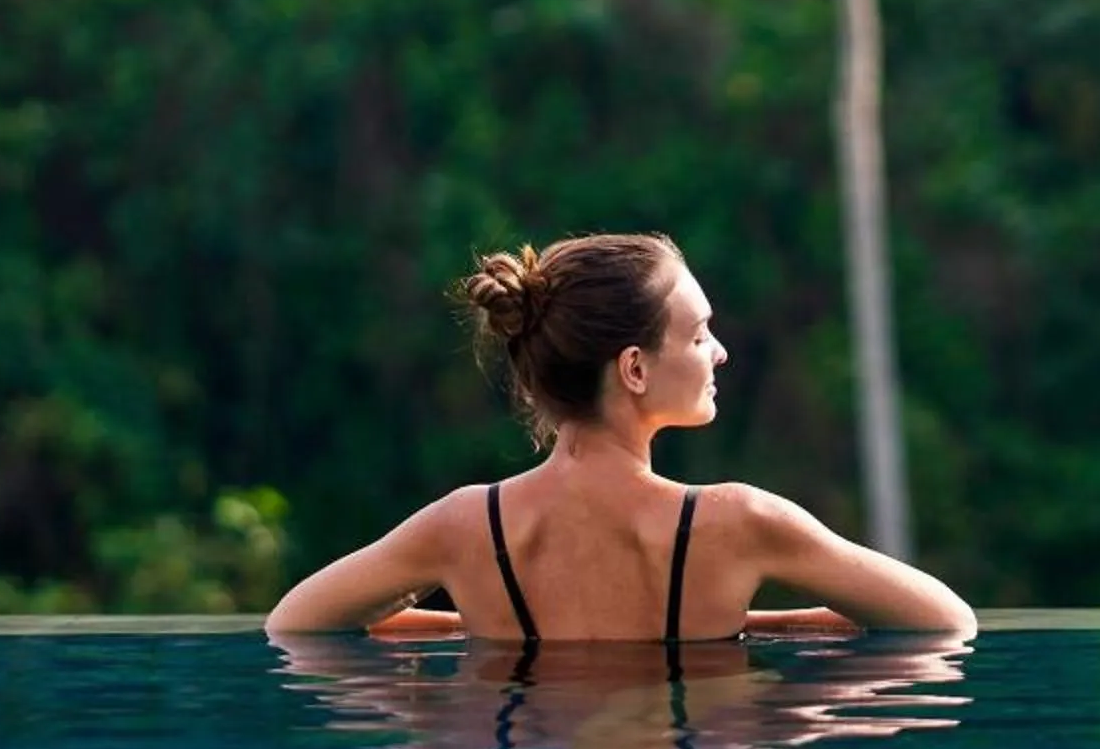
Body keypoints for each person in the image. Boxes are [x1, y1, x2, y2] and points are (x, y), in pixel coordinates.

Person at [263, 232, 976, 641]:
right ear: (634, 368)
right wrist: (760, 626)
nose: (720, 352)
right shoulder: (737, 523)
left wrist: (470, 630)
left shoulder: (466, 527)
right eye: (698, 335)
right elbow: (946, 624)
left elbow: (295, 626)